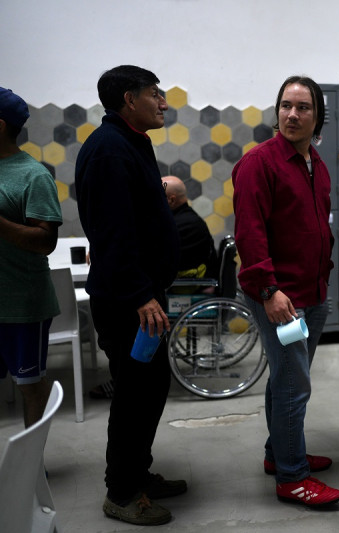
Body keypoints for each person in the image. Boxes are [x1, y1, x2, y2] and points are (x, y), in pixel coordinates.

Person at [75, 65, 184, 526]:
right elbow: (113, 233)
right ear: (128, 98)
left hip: (141, 295)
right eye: (155, 95)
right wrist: (142, 295)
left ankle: (137, 474)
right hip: (127, 303)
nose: (163, 103)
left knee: (152, 387)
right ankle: (121, 493)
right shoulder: (108, 151)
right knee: (134, 395)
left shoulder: (130, 142)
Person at [232, 75, 339, 507]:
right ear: (277, 112)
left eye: (303, 107)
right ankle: (292, 478)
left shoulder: (315, 162)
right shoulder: (260, 162)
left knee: (285, 381)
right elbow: (250, 232)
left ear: (318, 117)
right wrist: (269, 291)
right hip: (279, 298)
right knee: (295, 385)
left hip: (310, 292)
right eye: (285, 106)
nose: (292, 114)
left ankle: (279, 454)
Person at [89, 175, 218, 401]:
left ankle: (125, 381)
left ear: (171, 199)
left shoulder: (184, 224)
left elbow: (151, 257)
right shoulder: (177, 220)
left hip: (185, 291)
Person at [0, 87, 62, 428]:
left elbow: (45, 241)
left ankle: (32, 465)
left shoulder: (33, 175)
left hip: (21, 305)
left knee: (29, 386)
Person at [161, 175, 217, 278]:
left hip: (187, 287)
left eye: (158, 197)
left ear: (171, 200)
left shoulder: (184, 226)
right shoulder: (187, 220)